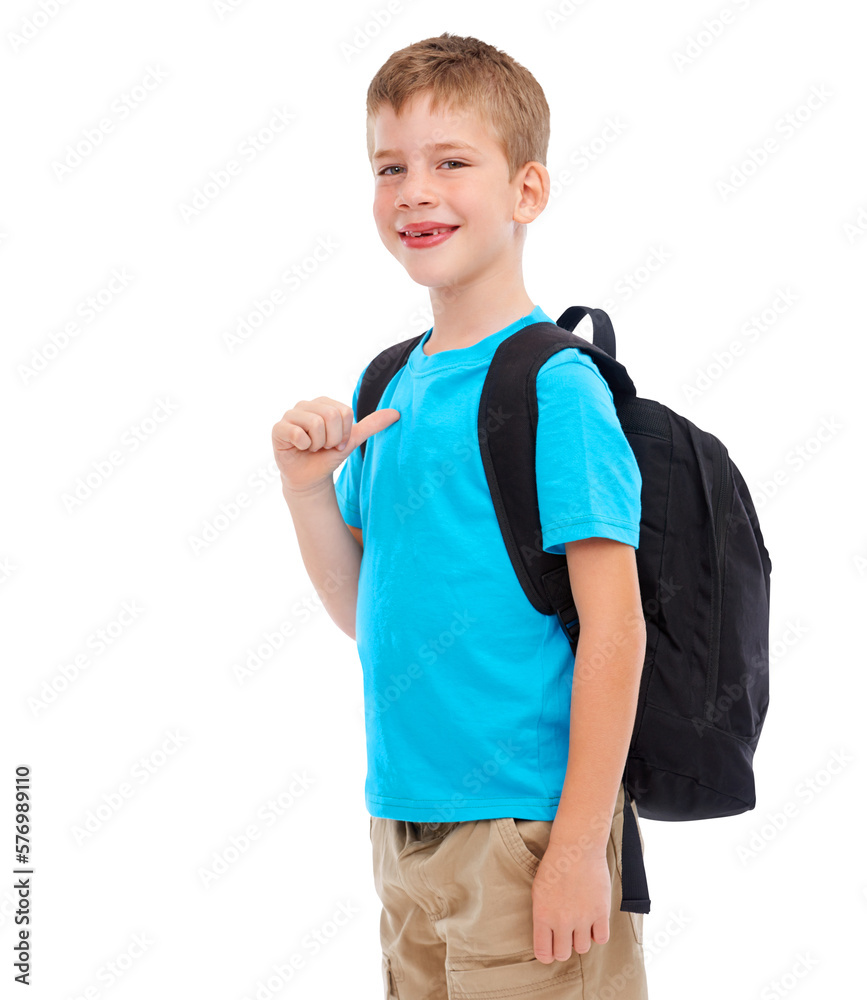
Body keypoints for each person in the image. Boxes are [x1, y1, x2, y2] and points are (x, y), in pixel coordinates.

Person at [272, 32, 648, 1000]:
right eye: (389, 165)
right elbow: (368, 612)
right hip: (404, 818)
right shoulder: (388, 382)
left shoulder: (555, 386)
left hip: (527, 829)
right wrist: (307, 488)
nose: (413, 190)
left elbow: (617, 625)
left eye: (451, 162)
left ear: (527, 191)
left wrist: (574, 848)